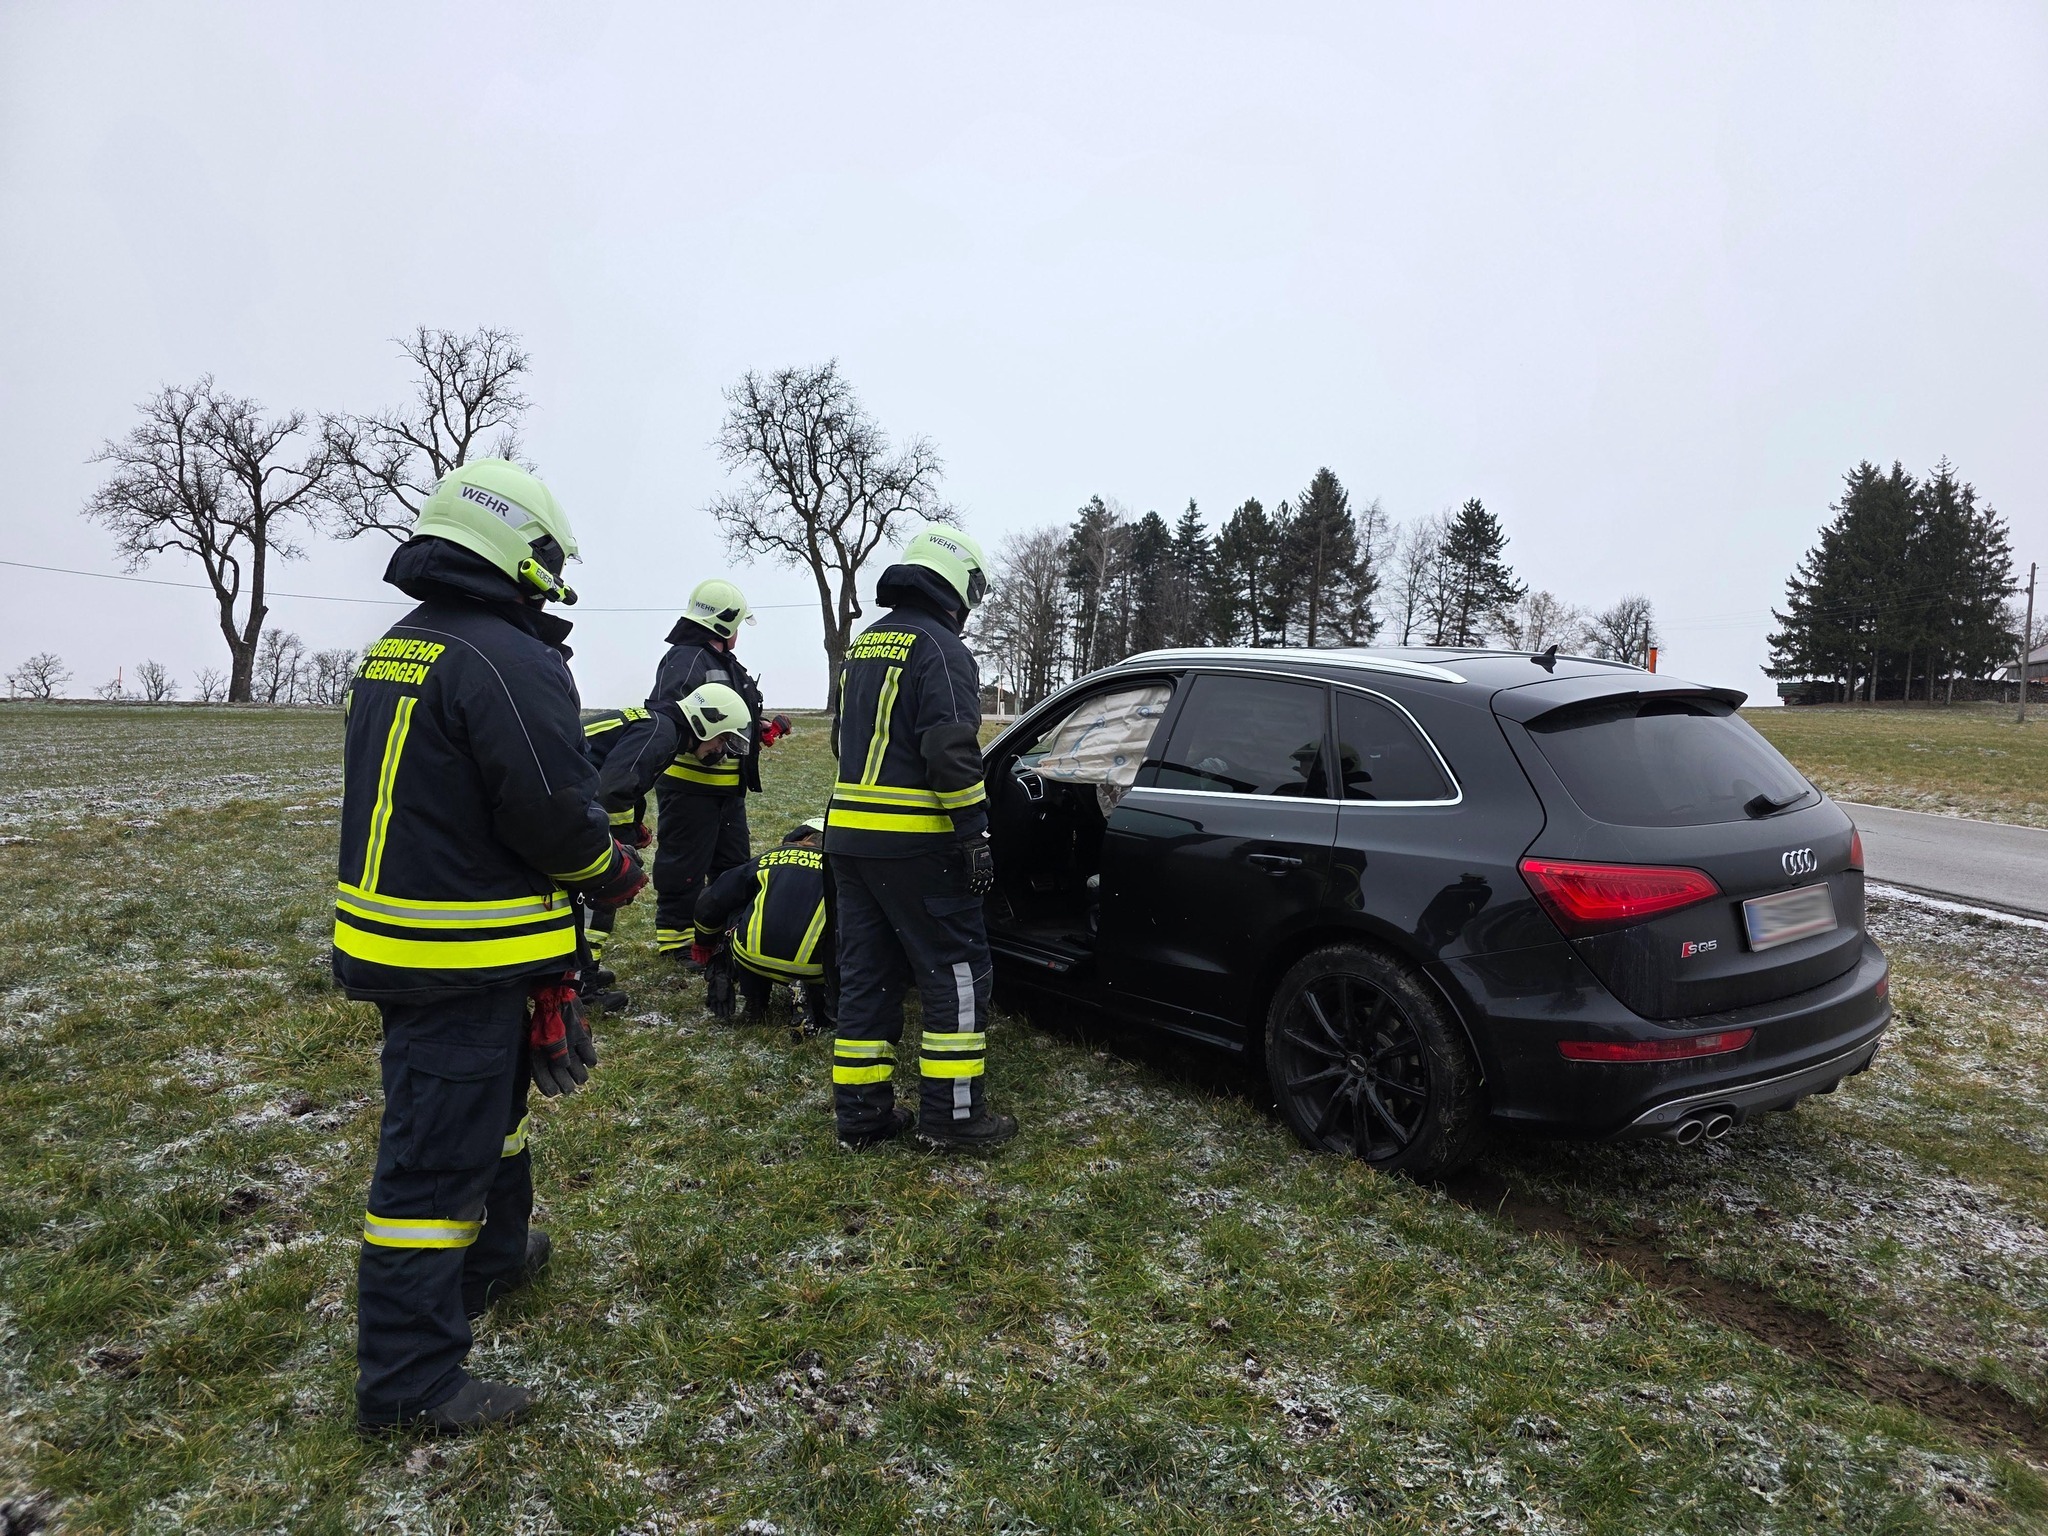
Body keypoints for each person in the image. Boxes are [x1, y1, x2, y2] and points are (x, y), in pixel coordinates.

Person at [335, 459, 647, 1435]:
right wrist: (611, 869)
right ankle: (410, 1381)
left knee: (491, 1120)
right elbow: (552, 813)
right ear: (520, 549)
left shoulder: (406, 644)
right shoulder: (507, 659)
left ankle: (495, 1257)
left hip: (423, 940)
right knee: (430, 1167)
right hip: (458, 955)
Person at [825, 525, 1015, 1152]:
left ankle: (862, 1117)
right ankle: (952, 1119)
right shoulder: (942, 650)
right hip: (919, 846)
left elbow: (842, 744)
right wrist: (975, 833)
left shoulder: (864, 644)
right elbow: (949, 751)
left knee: (868, 978)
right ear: (958, 585)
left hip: (849, 842)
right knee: (956, 975)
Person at [645, 580, 766, 965]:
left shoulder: (723, 663)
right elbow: (669, 716)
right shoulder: (686, 659)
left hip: (726, 790)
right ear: (724, 623)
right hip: (690, 788)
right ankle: (676, 940)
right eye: (737, 625)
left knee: (733, 866)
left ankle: (723, 936)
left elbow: (725, 711)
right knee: (683, 865)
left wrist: (757, 726)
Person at [693, 816, 833, 1030]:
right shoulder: (841, 869)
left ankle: (754, 1000)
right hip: (814, 970)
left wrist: (705, 943)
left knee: (739, 904)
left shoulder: (770, 858)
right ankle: (817, 1004)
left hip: (751, 958)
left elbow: (714, 899)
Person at [577, 706, 656, 1009]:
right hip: (586, 813)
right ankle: (583, 987)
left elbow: (629, 786)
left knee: (588, 901)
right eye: (721, 741)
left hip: (579, 803)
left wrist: (633, 827)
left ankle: (584, 971)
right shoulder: (659, 733)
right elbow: (614, 791)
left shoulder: (651, 726)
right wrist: (622, 842)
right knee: (599, 897)